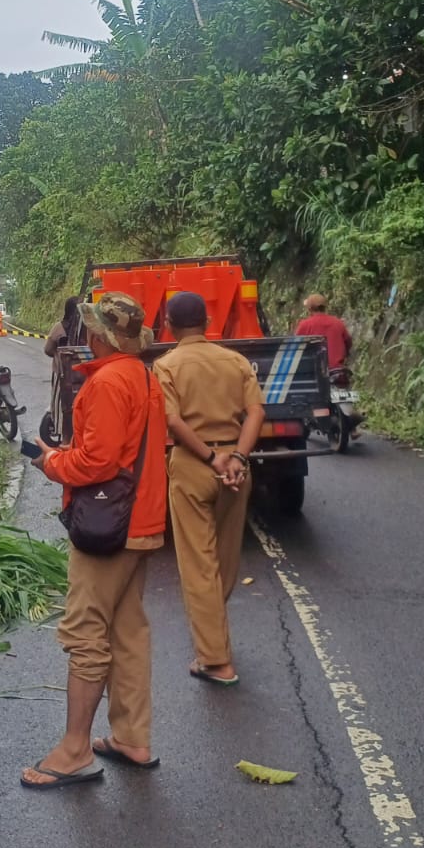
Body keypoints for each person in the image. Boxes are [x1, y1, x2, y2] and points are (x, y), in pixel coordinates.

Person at [22, 291, 167, 789]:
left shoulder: (107, 382)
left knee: (86, 632)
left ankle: (74, 750)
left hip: (110, 526)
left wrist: (51, 462)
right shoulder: (142, 375)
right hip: (139, 520)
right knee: (127, 630)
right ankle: (131, 737)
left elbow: (97, 463)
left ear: (97, 334)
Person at [153, 290, 265, 687]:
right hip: (236, 468)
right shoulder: (235, 361)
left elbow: (172, 421)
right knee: (226, 557)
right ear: (208, 322)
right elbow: (256, 412)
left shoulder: (166, 366)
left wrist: (210, 457)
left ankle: (215, 660)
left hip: (193, 466)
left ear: (168, 325)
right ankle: (213, 633)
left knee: (198, 564)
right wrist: (238, 458)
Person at [295, 292, 353, 371]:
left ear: (310, 309)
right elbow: (348, 342)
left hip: (316, 371)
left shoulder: (305, 325)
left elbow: (296, 347)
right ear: (325, 308)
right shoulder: (337, 322)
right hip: (337, 370)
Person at [43, 295, 83, 362]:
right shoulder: (88, 328)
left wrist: (60, 356)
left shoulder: (59, 326)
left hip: (63, 366)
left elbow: (48, 349)